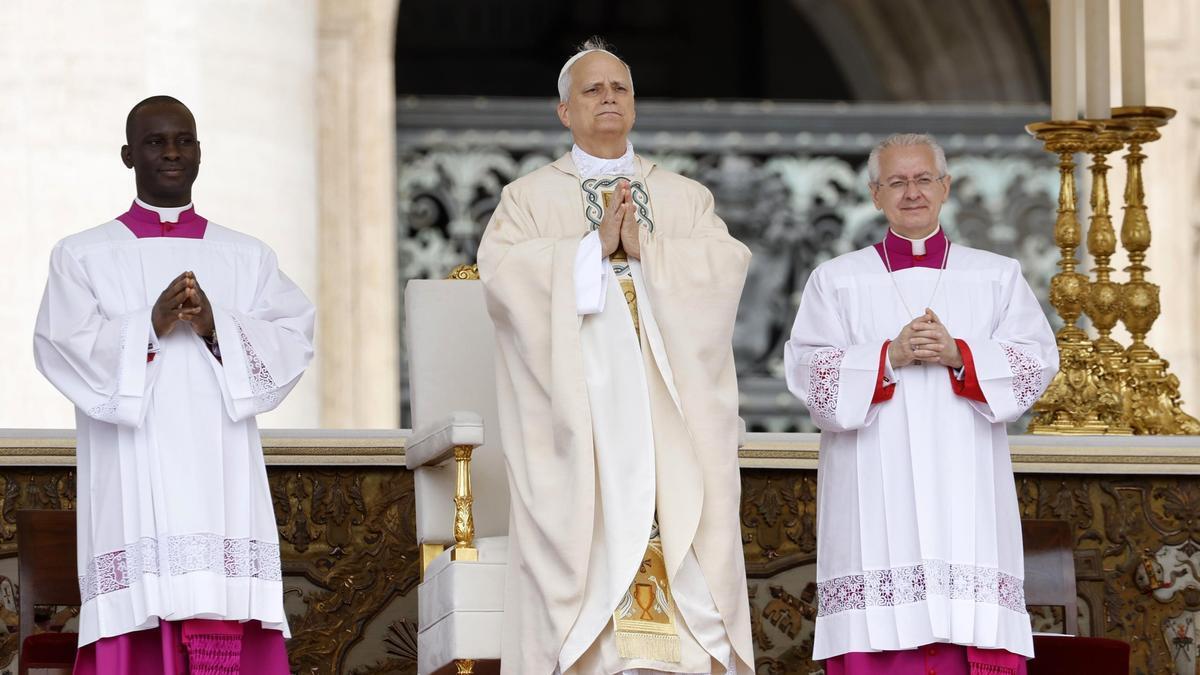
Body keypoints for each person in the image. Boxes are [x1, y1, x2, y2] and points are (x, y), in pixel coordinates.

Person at [477, 38, 755, 674]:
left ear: (634, 105)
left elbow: (726, 267)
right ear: (564, 112)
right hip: (584, 413)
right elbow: (502, 278)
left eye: (620, 88)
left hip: (668, 407)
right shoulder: (528, 198)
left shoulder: (683, 197)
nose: (609, 98)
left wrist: (647, 249)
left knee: (678, 499)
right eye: (592, 90)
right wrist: (589, 249)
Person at [33, 95, 314, 674]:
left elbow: (293, 336)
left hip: (221, 468)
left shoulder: (246, 255)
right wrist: (150, 325)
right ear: (127, 154)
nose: (172, 152)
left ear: (200, 152)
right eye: (156, 142)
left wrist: (218, 327)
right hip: (130, 462)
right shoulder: (83, 255)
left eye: (183, 140)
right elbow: (62, 345)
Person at [784, 133, 1058, 675]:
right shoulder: (837, 280)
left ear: (945, 187)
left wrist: (962, 355)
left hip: (967, 481)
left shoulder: (995, 275)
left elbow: (1036, 362)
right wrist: (887, 356)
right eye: (896, 182)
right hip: (873, 480)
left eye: (923, 179)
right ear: (874, 194)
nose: (912, 193)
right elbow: (810, 372)